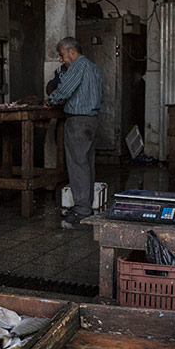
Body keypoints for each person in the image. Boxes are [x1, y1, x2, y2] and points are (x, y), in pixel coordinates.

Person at [46, 36, 103, 224]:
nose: (62, 60)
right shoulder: (94, 67)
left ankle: (81, 209)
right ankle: (86, 204)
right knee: (86, 163)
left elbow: (65, 89)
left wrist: (51, 100)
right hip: (92, 120)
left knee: (78, 164)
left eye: (62, 55)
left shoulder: (78, 65)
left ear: (72, 51)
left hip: (78, 121)